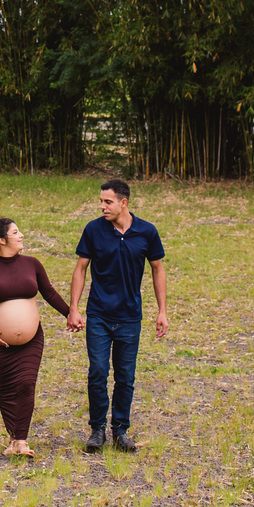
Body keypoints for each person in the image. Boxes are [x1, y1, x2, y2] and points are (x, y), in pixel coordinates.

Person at [66, 178, 167, 453]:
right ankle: (97, 429)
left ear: (124, 203)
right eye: (101, 201)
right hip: (98, 314)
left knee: (125, 376)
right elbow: (80, 268)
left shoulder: (147, 232)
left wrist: (162, 311)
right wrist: (73, 308)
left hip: (130, 316)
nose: (102, 207)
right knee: (98, 372)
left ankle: (121, 430)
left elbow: (158, 269)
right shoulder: (93, 230)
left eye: (107, 202)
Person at [0, 218, 74, 458]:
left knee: (26, 385)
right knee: (6, 390)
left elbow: (48, 293)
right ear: (1, 240)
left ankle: (22, 440)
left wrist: (70, 313)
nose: (22, 236)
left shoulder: (32, 264)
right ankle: (13, 437)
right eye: (16, 232)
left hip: (31, 339)